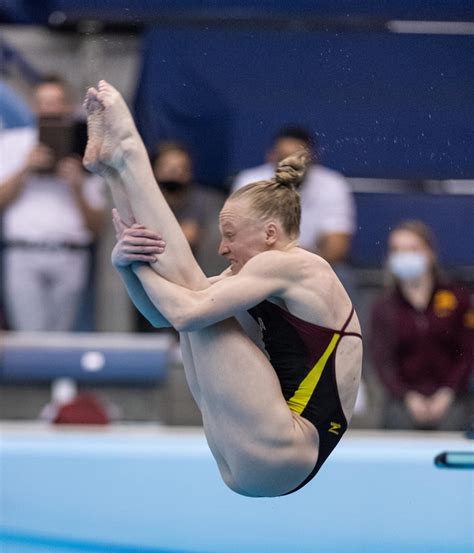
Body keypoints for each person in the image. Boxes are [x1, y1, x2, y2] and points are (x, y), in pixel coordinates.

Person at [83, 80, 362, 498]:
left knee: (192, 292)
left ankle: (130, 158)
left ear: (270, 232)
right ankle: (115, 169)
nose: (222, 247)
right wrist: (124, 264)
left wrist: (135, 268)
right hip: (263, 457)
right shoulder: (255, 277)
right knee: (187, 292)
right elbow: (162, 314)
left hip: (288, 445)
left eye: (230, 234)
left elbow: (184, 310)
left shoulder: (296, 265)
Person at [0, 76, 106, 331]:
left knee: (62, 342)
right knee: (30, 340)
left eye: (57, 102)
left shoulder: (87, 146)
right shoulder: (11, 144)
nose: (50, 109)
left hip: (70, 254)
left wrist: (77, 186)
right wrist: (25, 168)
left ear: (69, 107)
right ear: (34, 108)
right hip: (22, 253)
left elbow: (97, 227)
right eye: (44, 103)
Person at [370, 220, 473, 430]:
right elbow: (382, 361)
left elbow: (468, 352)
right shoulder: (383, 307)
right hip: (403, 400)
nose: (404, 256)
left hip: (452, 396)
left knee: (456, 423)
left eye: (412, 249)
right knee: (397, 421)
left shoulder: (457, 298)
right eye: (397, 250)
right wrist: (408, 396)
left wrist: (447, 392)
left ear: (430, 253)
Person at [232, 126, 356, 268]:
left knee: (341, 275)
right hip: (259, 266)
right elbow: (241, 243)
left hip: (313, 267)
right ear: (270, 156)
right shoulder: (249, 182)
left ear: (313, 159)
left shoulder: (333, 184)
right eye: (283, 158)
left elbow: (336, 249)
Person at [152, 141, 226, 276]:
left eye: (180, 168)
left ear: (190, 172)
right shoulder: (144, 201)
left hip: (202, 276)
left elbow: (196, 237)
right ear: (154, 171)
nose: (174, 173)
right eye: (167, 168)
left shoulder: (208, 201)